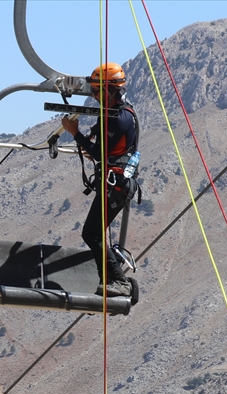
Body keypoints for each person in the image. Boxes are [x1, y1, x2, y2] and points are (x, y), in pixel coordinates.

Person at [60, 62, 140, 297]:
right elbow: (102, 141)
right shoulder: (115, 114)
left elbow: (100, 154)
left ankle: (119, 281)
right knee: (93, 233)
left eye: (97, 91)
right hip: (116, 183)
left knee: (92, 233)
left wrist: (75, 134)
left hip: (117, 184)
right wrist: (89, 137)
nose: (94, 96)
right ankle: (115, 279)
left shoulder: (120, 117)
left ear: (111, 90)